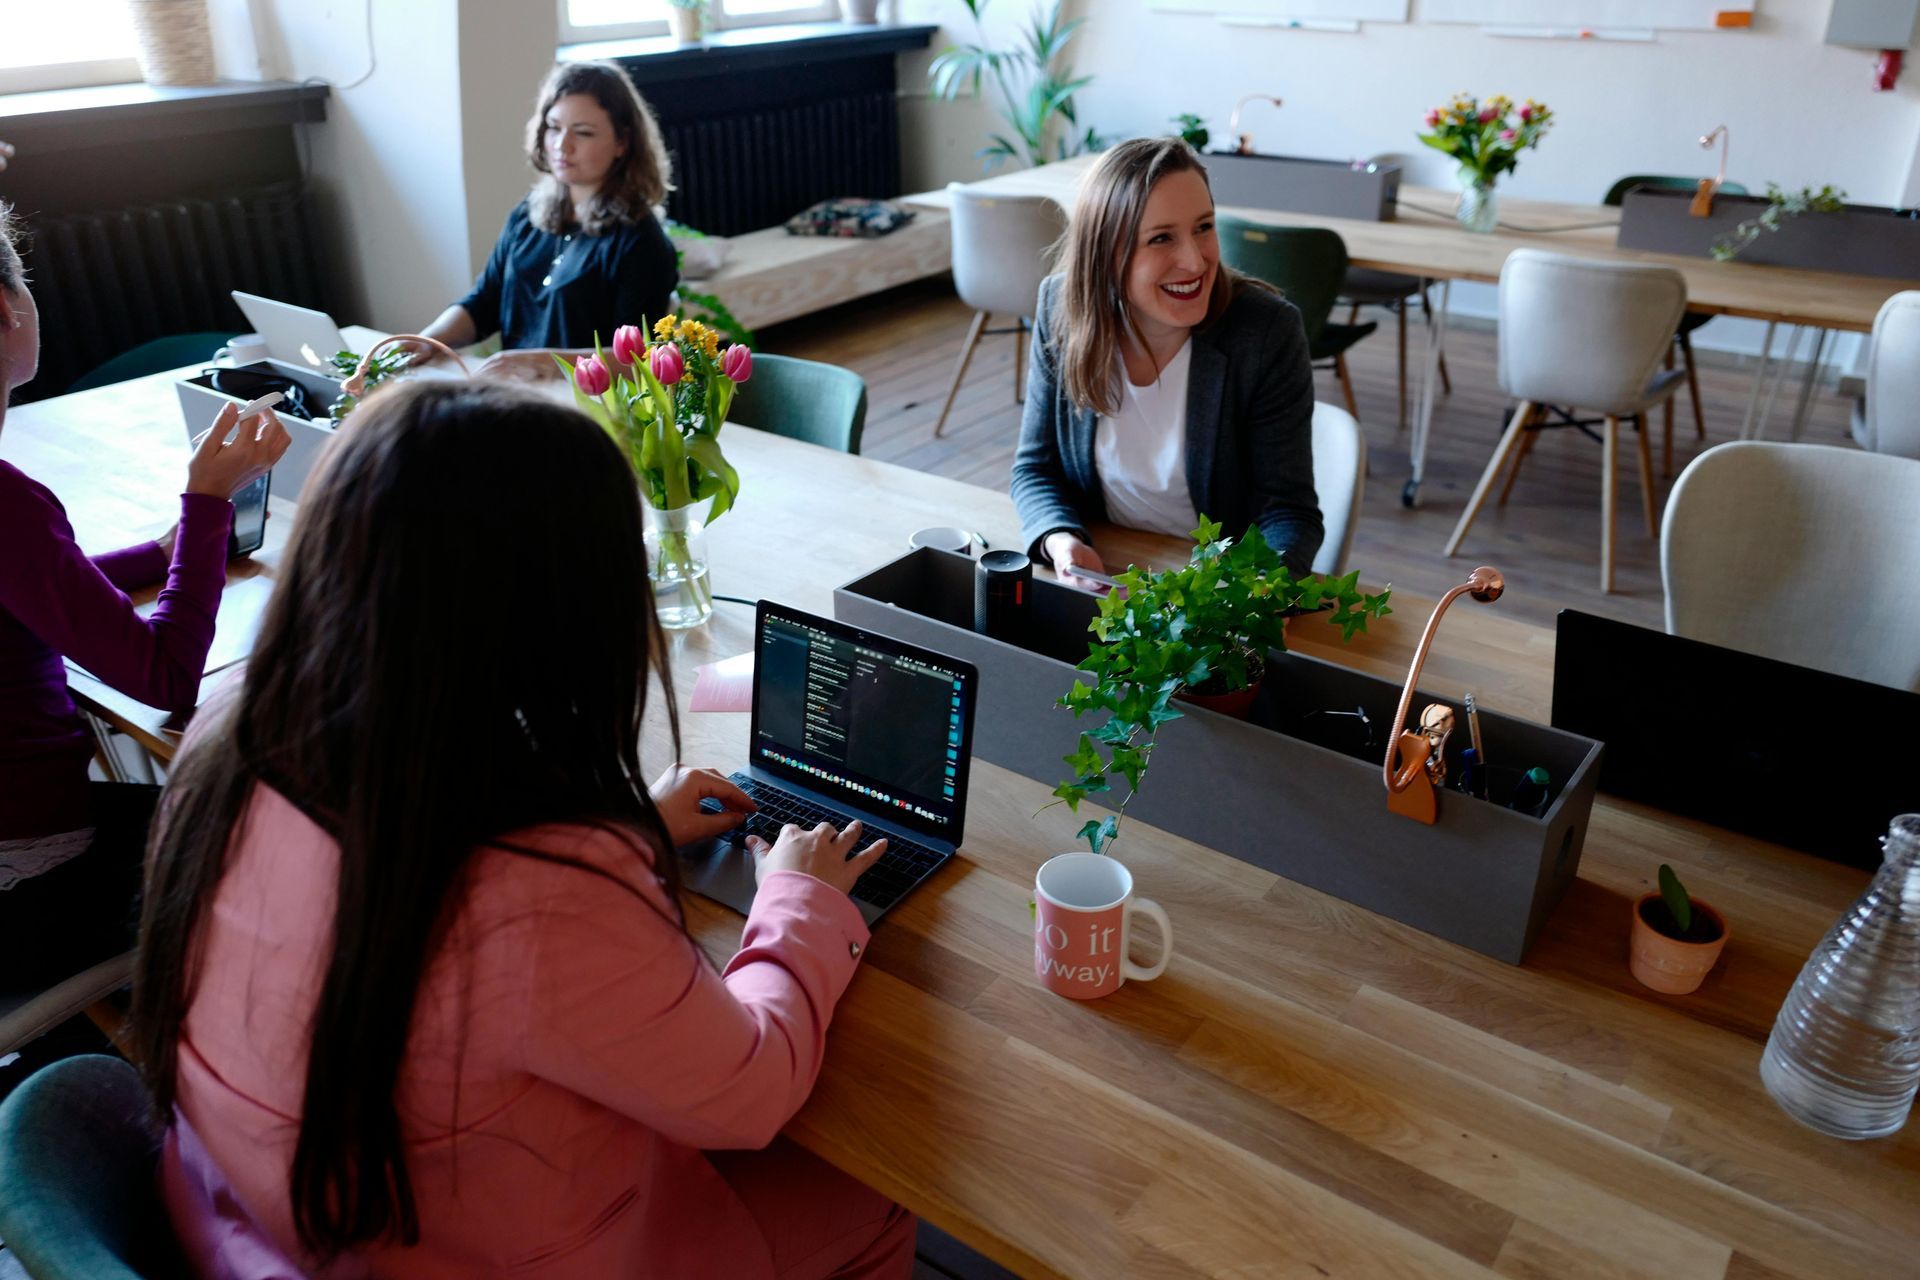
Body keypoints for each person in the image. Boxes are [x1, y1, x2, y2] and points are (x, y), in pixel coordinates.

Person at [130, 380, 916, 1279]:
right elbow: (751, 1094)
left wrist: (624, 827)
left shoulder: (231, 727)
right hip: (476, 1253)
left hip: (246, 1215)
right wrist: (799, 900)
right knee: (878, 1192)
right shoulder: (539, 885)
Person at [0, 200, 288, 994]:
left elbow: (33, 586)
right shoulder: (10, 505)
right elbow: (166, 681)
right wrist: (205, 502)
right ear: (7, 309)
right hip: (33, 892)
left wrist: (162, 555)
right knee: (275, 828)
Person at [1010, 135, 1324, 582]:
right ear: (1106, 256)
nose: (1195, 261)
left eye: (1204, 227)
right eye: (1161, 239)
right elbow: (1035, 468)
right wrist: (1062, 542)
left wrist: (1252, 596)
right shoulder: (1060, 307)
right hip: (1106, 576)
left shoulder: (1265, 331)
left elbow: (1288, 513)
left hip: (1218, 590)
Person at [403, 60, 679, 382]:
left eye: (584, 132)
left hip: (588, 412)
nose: (563, 145)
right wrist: (429, 340)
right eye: (554, 127)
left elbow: (637, 360)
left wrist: (542, 363)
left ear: (622, 143)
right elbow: (483, 304)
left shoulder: (641, 242)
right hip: (518, 395)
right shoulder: (527, 215)